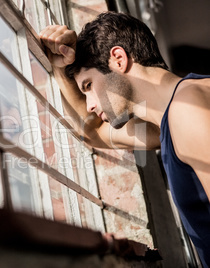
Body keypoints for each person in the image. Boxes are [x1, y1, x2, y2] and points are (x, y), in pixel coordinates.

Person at [39, 11, 210, 267]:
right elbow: (93, 132)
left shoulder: (188, 109)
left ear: (118, 59)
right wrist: (60, 66)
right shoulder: (169, 123)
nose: (90, 105)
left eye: (88, 86)